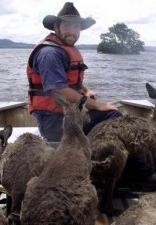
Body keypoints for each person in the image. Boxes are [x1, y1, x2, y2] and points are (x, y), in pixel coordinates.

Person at [26, 2, 122, 142]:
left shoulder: (63, 48)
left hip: (71, 113)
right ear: (56, 27)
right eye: (67, 26)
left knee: (110, 115)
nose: (72, 31)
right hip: (54, 121)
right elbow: (60, 89)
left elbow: (70, 80)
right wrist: (97, 105)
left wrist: (86, 90)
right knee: (114, 115)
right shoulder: (49, 53)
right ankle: (140, 165)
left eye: (76, 27)